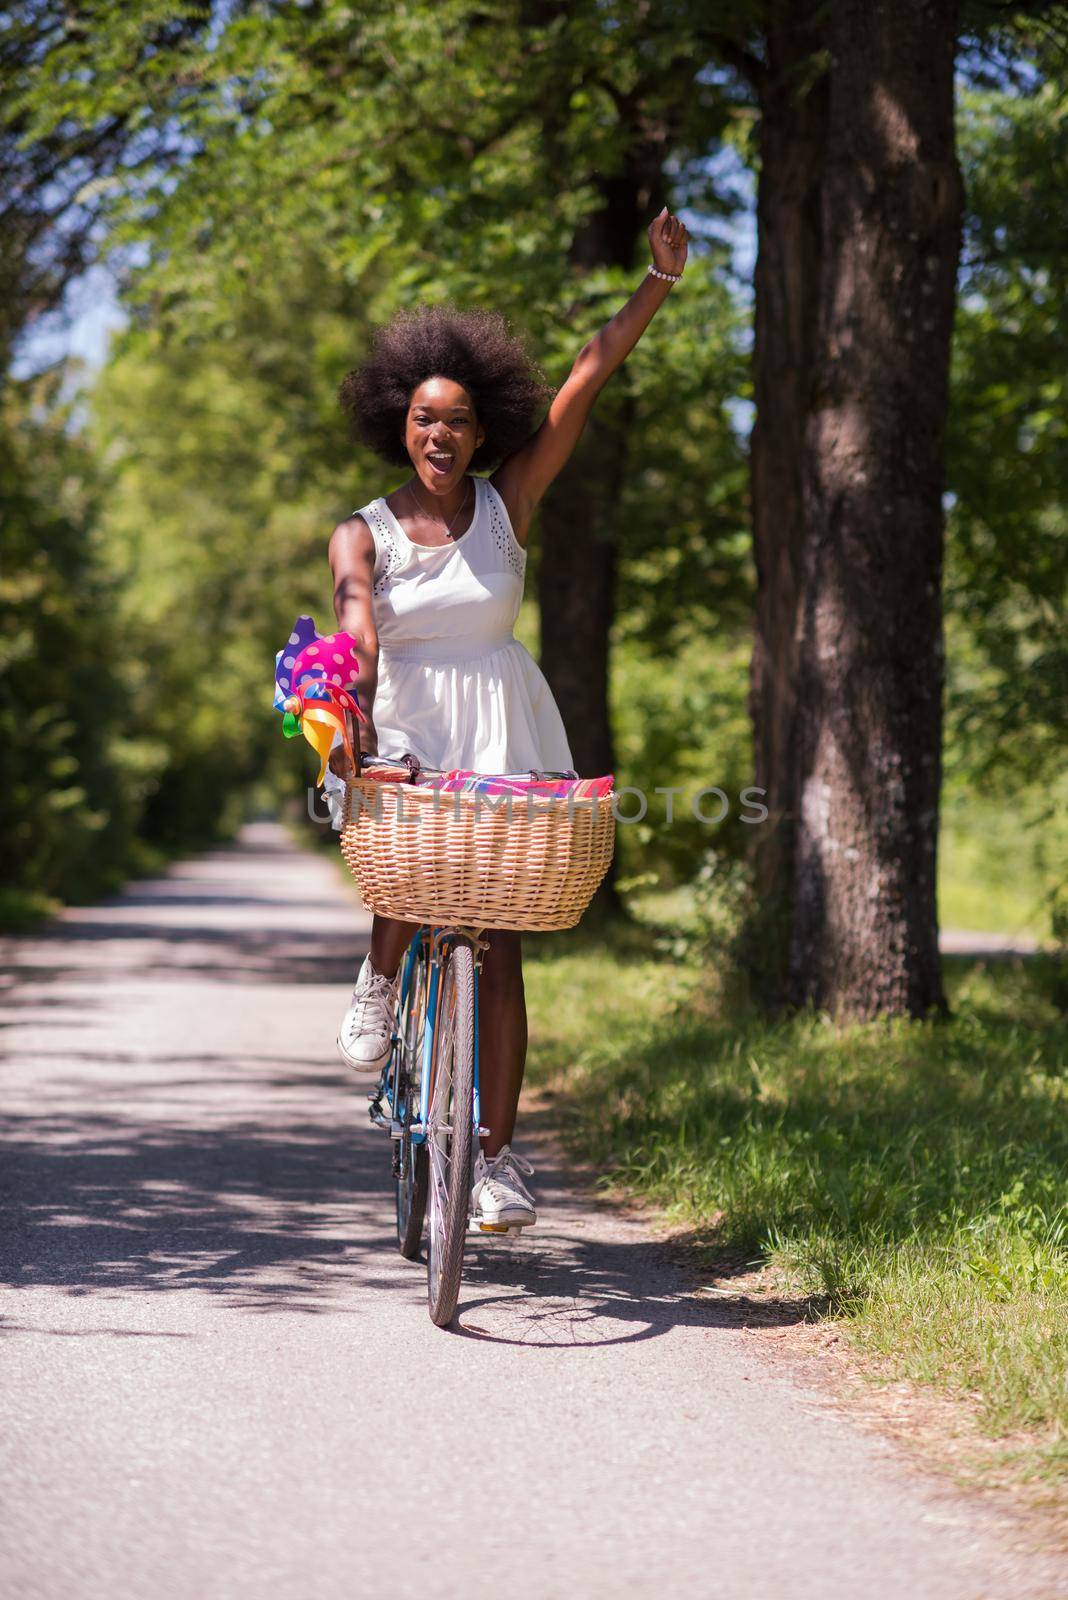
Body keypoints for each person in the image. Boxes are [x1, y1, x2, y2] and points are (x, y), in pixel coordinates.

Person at [326, 205, 688, 1230]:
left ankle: (494, 1160)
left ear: (485, 433)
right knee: (409, 856)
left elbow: (585, 378)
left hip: (505, 720)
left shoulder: (506, 503)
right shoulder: (362, 532)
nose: (439, 435)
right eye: (424, 419)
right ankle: (378, 977)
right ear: (402, 423)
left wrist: (656, 284)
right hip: (400, 721)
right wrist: (354, 721)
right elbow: (355, 631)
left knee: (504, 940)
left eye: (458, 422)